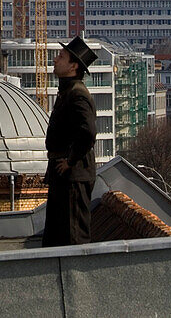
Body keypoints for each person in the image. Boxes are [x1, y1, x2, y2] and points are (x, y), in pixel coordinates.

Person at [42, 35, 98, 247]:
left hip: (73, 176)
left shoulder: (77, 94)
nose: (56, 60)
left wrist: (71, 161)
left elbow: (88, 132)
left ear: (74, 65)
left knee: (73, 236)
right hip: (65, 174)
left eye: (61, 56)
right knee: (58, 235)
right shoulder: (68, 91)